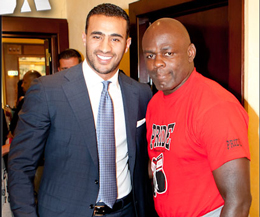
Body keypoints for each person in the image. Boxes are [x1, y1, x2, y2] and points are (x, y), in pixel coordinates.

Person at [8, 3, 156, 217]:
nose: (105, 47)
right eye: (97, 36)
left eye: (115, 38)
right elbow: (20, 166)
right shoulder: (48, 91)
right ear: (85, 38)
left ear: (127, 44)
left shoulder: (141, 93)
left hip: (127, 211)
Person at [142, 18, 251, 217]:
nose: (157, 63)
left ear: (190, 53)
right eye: (150, 55)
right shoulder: (155, 103)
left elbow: (239, 201)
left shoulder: (216, 106)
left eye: (168, 53)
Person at [9, 71, 41, 135]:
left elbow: (15, 126)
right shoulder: (47, 100)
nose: (22, 85)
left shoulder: (25, 102)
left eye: (25, 82)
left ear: (33, 83)